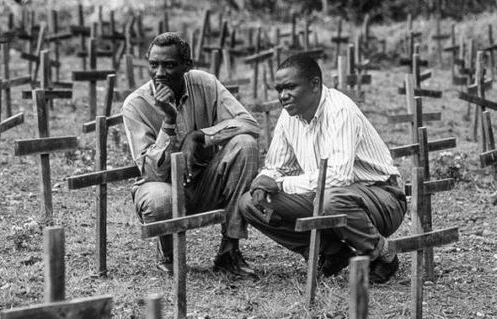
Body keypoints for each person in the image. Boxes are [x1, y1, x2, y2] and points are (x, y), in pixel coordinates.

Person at [239, 54, 407, 283]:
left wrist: (279, 184)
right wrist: (264, 180)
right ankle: (331, 252)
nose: (283, 96)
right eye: (279, 89)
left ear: (315, 85)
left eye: (290, 87)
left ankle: (381, 255)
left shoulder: (340, 111)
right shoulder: (290, 117)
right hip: (327, 196)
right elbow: (276, 166)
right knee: (251, 203)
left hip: (381, 198)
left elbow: (338, 177)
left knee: (331, 199)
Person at [122, 32, 260, 277]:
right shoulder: (136, 104)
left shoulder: (205, 84)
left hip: (205, 181)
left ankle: (229, 252)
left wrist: (200, 136)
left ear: (188, 65)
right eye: (154, 65)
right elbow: (152, 172)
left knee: (245, 144)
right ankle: (169, 254)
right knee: (159, 198)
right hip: (164, 185)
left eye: (169, 65)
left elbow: (249, 124)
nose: (160, 73)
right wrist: (169, 122)